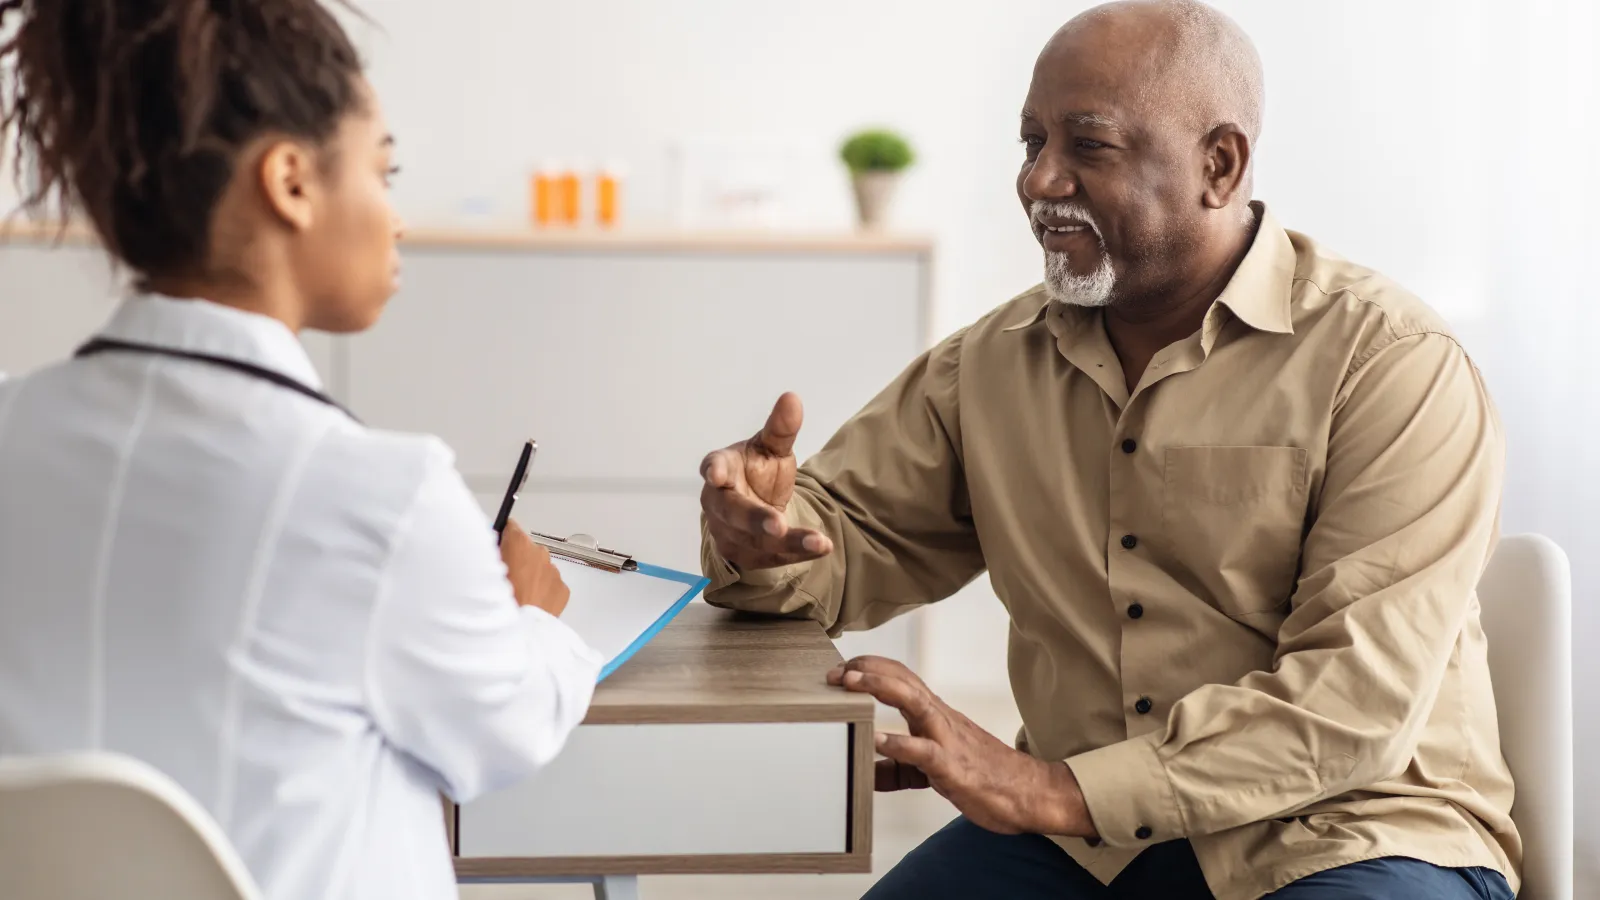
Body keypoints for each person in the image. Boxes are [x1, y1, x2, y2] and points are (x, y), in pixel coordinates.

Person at [697, 2, 1517, 899]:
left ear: (1220, 164)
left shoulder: (1393, 364)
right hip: (1084, 844)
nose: (1041, 181)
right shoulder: (988, 365)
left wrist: (1049, 787)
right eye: (1031, 143)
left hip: (1350, 830)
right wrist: (764, 537)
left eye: (1089, 147)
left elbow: (1352, 701)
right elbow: (846, 542)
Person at [0, 2, 601, 898]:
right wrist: (535, 623)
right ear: (290, 181)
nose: (396, 218)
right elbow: (503, 734)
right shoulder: (380, 494)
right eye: (383, 170)